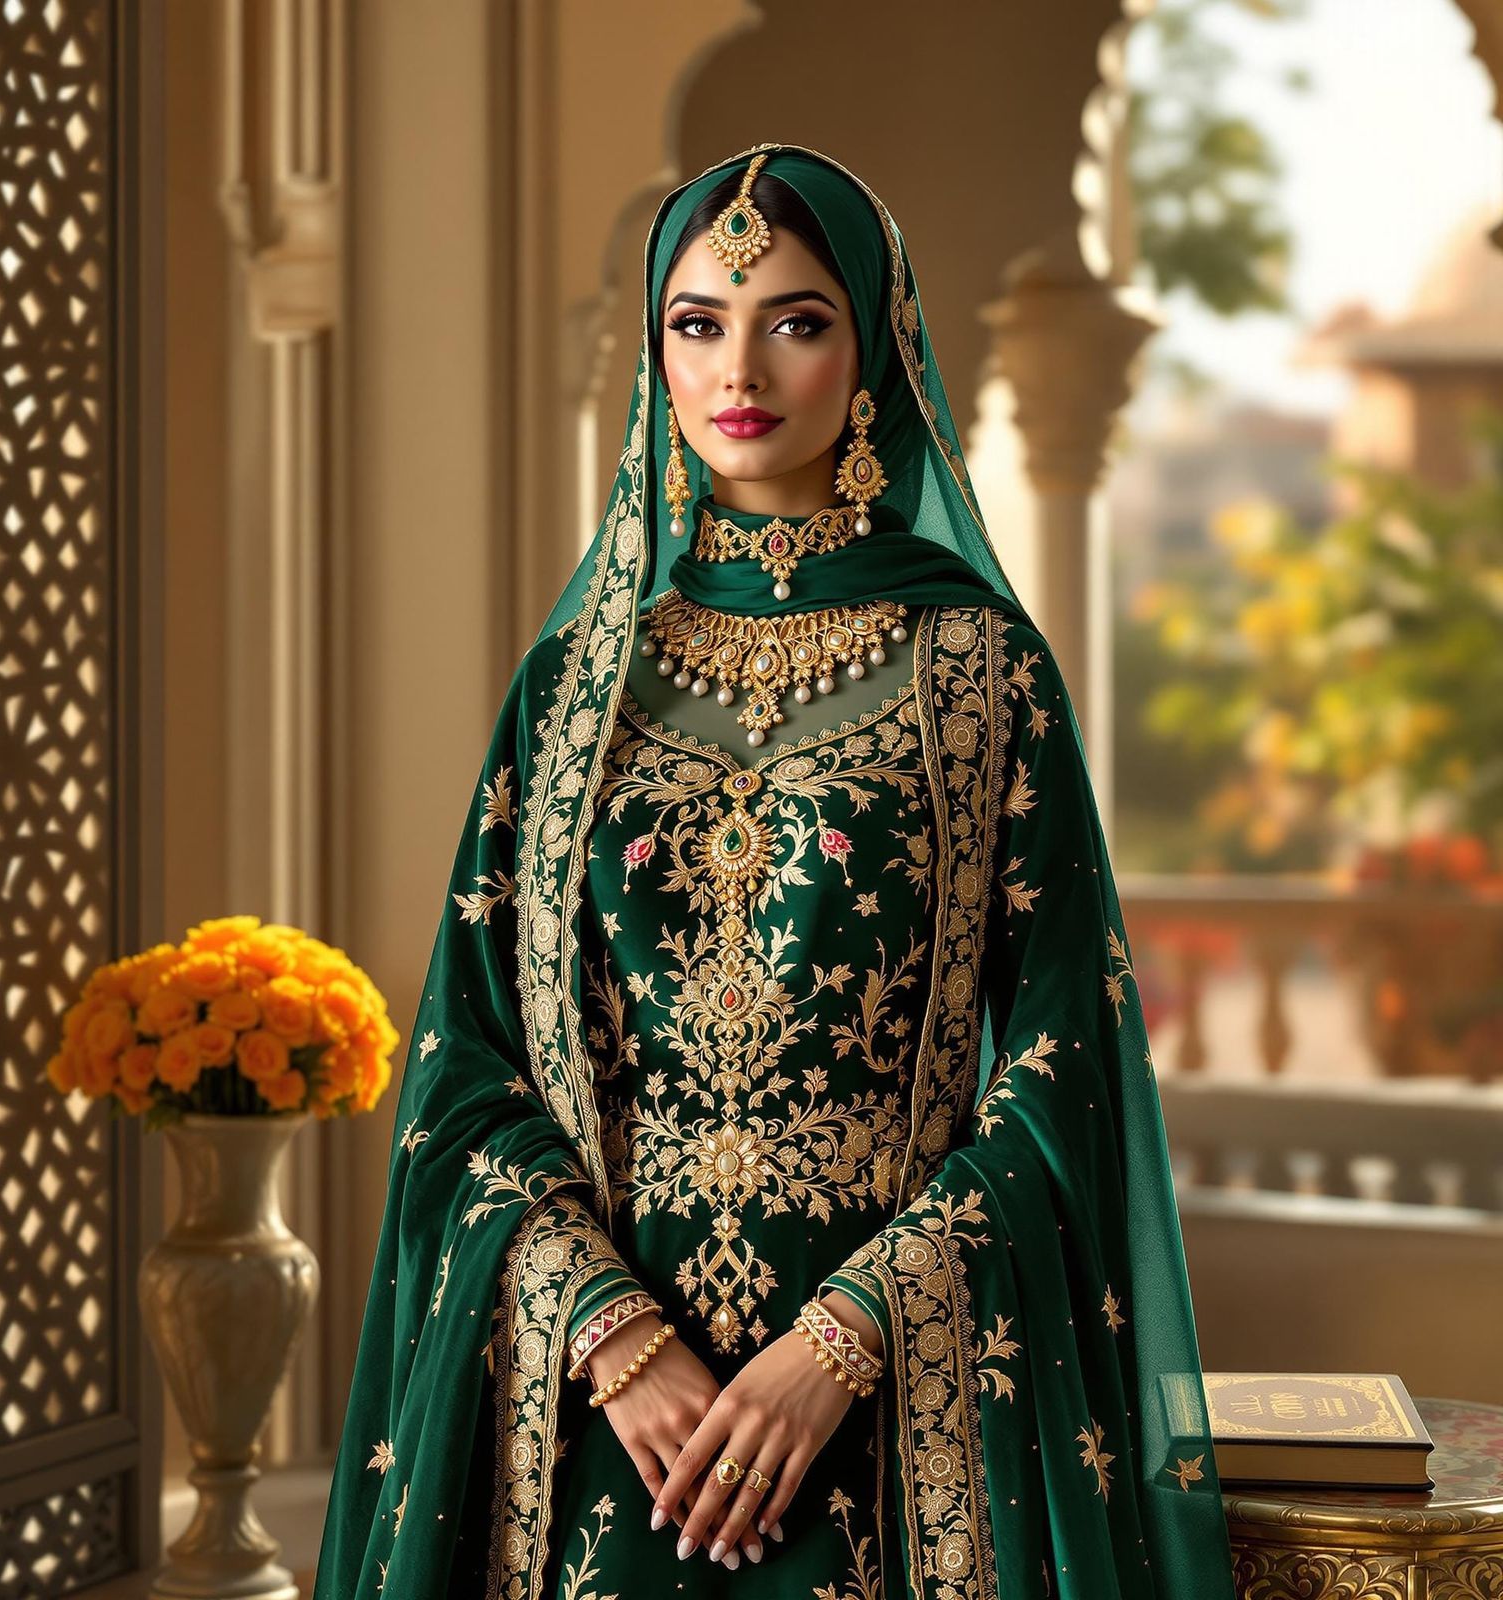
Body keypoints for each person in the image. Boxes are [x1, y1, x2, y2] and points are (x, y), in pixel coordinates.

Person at [313, 143, 1238, 1599]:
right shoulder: (574, 689)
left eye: (796, 319)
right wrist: (615, 1342)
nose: (740, 364)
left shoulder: (984, 672)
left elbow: (1063, 1067)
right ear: (656, 355)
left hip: (891, 1406)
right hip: (607, 1412)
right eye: (698, 322)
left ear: (873, 349)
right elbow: (465, 1072)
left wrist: (840, 1343)